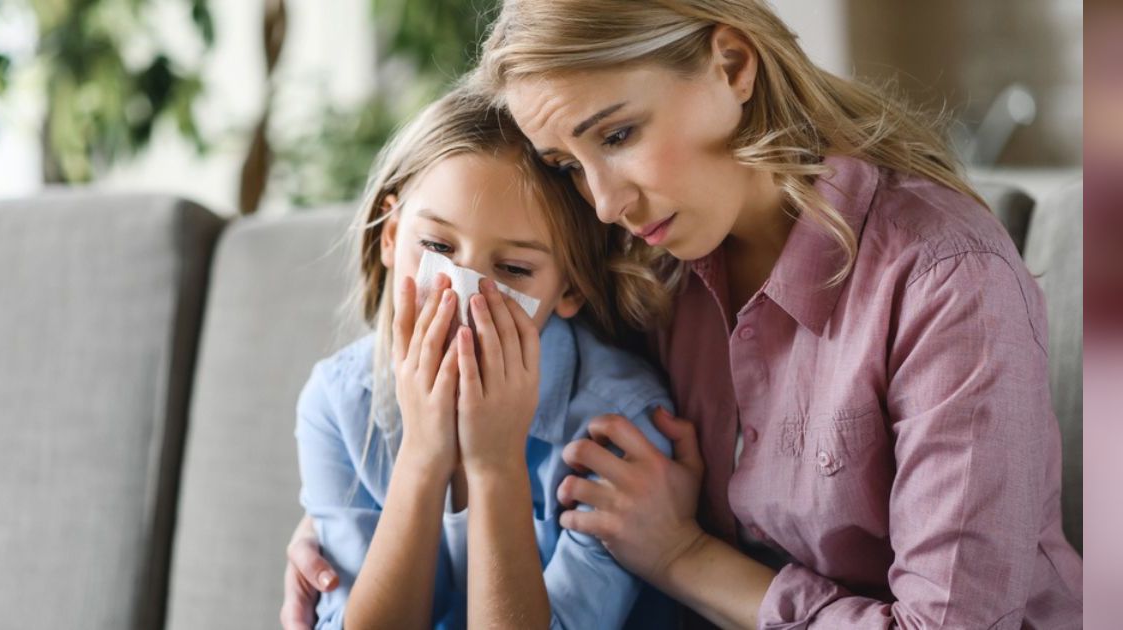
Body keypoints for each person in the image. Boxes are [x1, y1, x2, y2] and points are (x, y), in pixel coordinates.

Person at [286, 1, 1083, 628]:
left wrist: (683, 555)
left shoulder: (944, 278)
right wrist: (360, 538)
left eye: (620, 133)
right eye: (570, 165)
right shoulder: (649, 270)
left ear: (731, 65)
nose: (604, 202)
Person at [291, 84, 679, 629]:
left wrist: (494, 466)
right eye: (436, 248)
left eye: (514, 271)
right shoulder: (338, 401)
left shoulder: (617, 425)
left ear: (569, 290)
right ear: (390, 234)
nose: (463, 292)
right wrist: (424, 455)